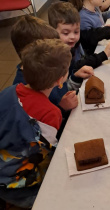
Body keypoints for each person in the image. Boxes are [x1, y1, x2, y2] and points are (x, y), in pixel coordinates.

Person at [0, 39, 71, 208]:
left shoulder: (10, 90)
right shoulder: (51, 113)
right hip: (18, 187)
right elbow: (46, 156)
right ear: (60, 81)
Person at [11, 15, 78, 113]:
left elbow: (61, 87)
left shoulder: (49, 65)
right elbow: (37, 121)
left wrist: (75, 77)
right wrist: (61, 107)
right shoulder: (22, 88)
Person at [48, 2, 110, 91]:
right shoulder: (58, 55)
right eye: (66, 33)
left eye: (76, 31)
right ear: (53, 31)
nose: (73, 37)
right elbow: (77, 66)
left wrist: (108, 32)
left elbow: (90, 34)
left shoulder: (73, 40)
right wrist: (103, 55)